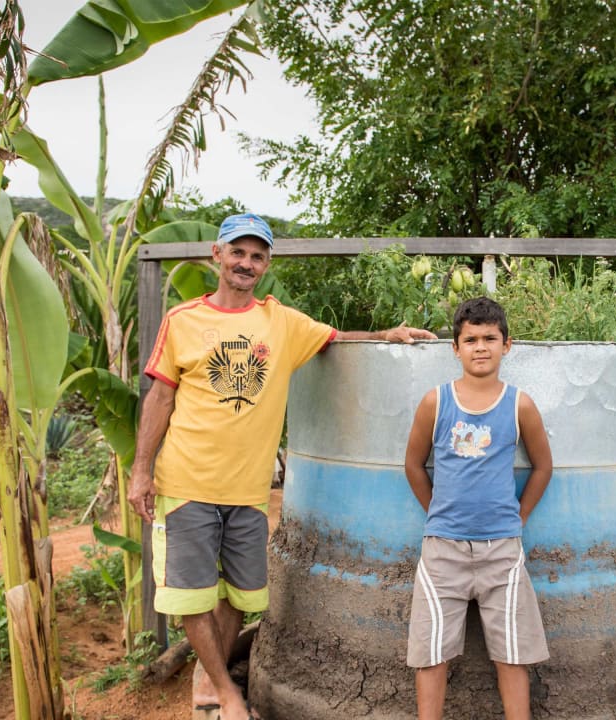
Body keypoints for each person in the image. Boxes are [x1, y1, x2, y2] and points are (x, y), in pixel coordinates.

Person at [128, 212, 436, 720]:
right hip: (187, 482)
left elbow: (338, 337)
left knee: (239, 596)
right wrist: (142, 470)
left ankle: (213, 679)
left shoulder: (282, 321)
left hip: (248, 490)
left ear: (266, 263)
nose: (246, 263)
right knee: (190, 597)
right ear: (217, 256)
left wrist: (388, 332)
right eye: (238, 252)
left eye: (257, 255)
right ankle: (225, 694)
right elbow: (159, 398)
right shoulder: (184, 320)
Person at [402, 297, 554, 720]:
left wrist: (517, 519)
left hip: (502, 551)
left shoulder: (518, 404)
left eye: (490, 338)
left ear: (508, 345)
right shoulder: (437, 402)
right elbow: (413, 465)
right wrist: (437, 513)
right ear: (455, 348)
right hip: (442, 550)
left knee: (512, 654)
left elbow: (543, 467)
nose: (480, 347)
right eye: (470, 339)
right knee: (431, 652)